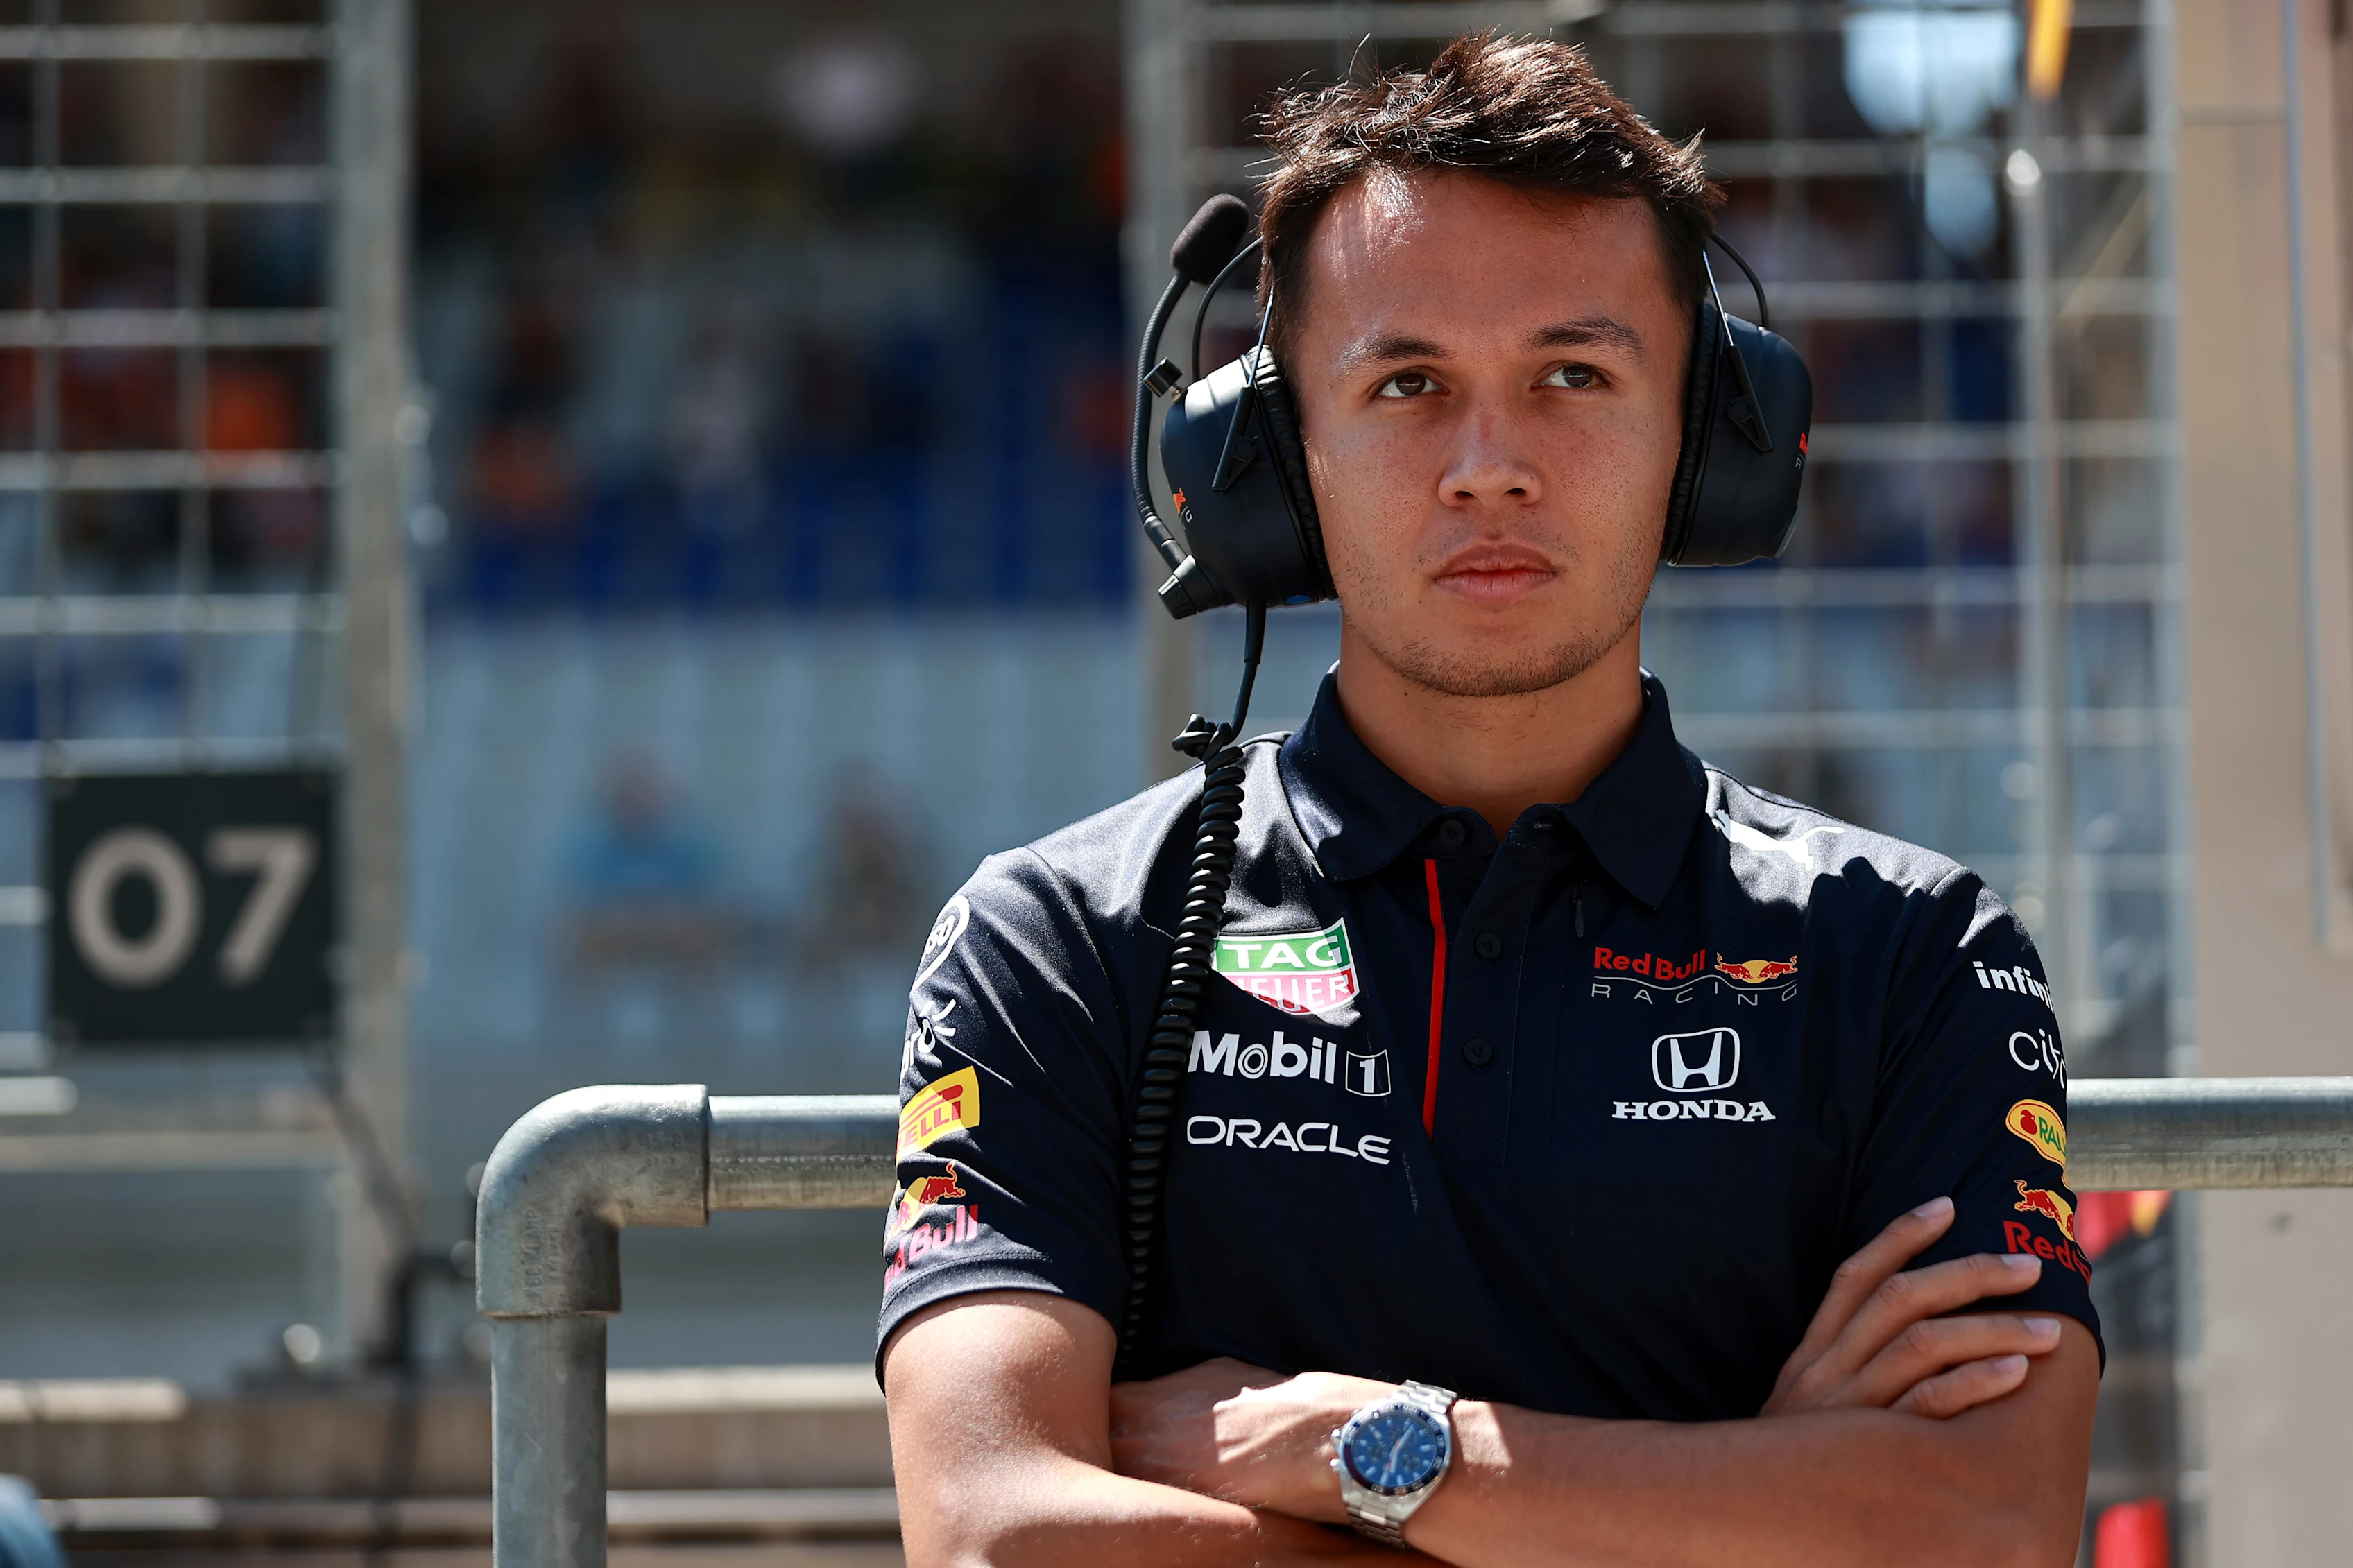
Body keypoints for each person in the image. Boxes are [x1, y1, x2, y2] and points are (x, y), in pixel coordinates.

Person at [878, 33, 2096, 1567]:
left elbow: (1987, 1525)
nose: (1489, 465)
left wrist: (1352, 1444)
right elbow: (1000, 1535)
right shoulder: (1062, 935)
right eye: (1405, 383)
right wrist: (1758, 1496)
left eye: (1572, 376)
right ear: (1267, 459)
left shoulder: (1909, 952)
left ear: (1707, 439)